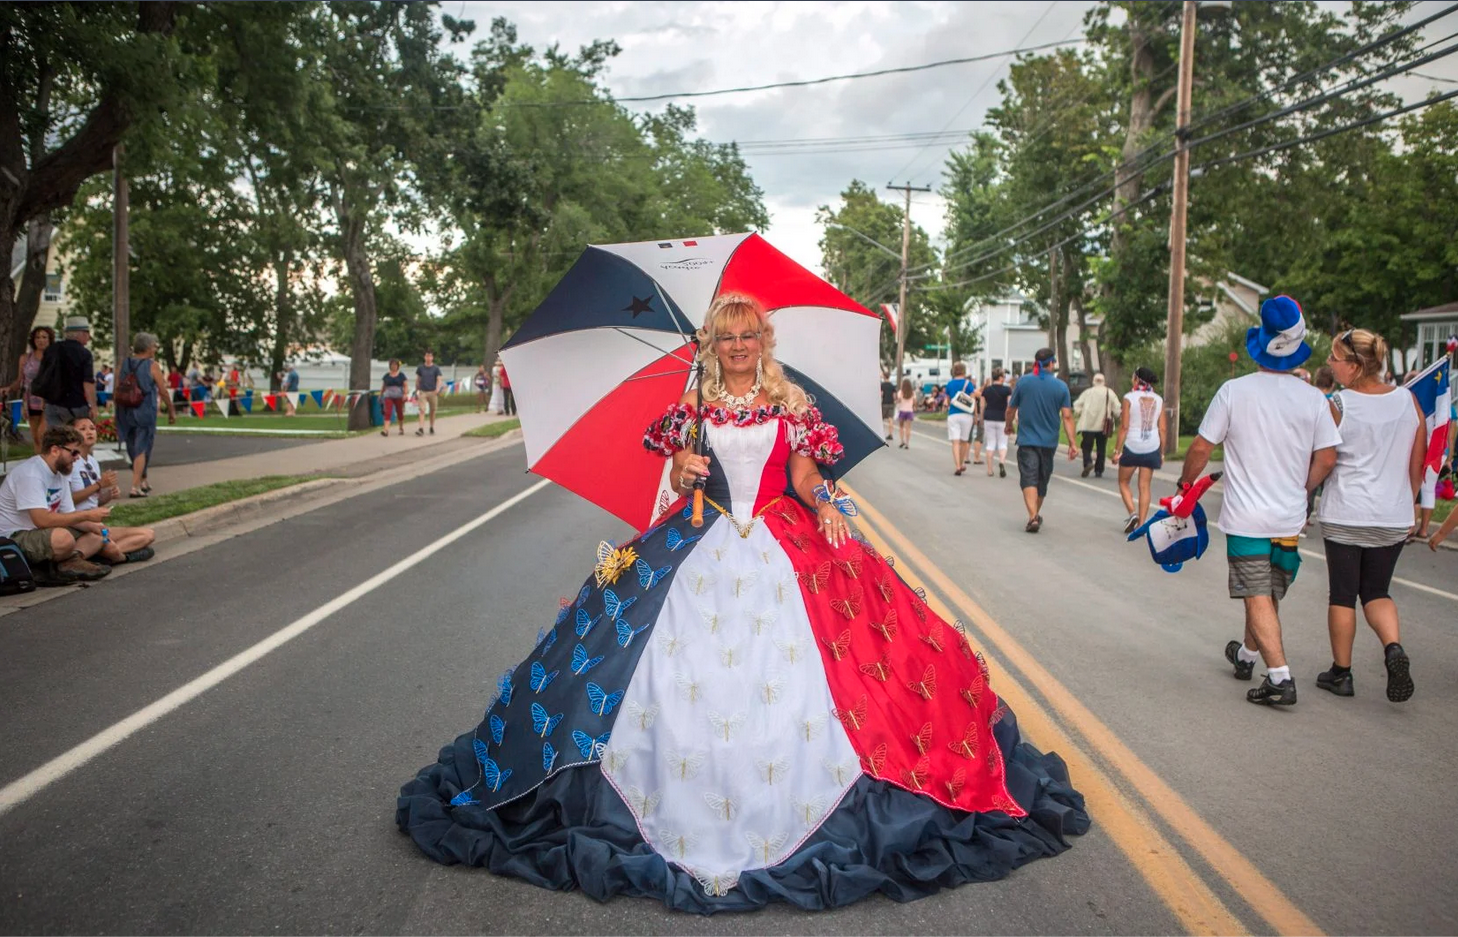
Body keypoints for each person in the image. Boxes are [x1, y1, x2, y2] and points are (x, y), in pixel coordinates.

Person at [397, 291, 1087, 912]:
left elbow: (805, 475)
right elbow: (676, 472)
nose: (737, 346)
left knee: (850, 667)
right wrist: (685, 469)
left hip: (782, 538)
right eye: (726, 336)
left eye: (748, 334)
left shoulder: (792, 403)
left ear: (764, 340)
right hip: (702, 535)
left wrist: (827, 504)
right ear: (712, 344)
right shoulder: (691, 406)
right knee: (638, 664)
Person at [1178, 296, 1340, 707]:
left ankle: (1280, 678)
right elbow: (1327, 458)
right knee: (1265, 593)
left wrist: (1185, 483)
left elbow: (1201, 447)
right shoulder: (1313, 399)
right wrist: (1303, 490)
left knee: (1256, 593)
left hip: (1247, 518)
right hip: (1289, 519)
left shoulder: (1234, 392)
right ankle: (1247, 656)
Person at [1314, 329, 1424, 702]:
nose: (1330, 364)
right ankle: (1393, 648)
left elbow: (1325, 459)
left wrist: (1305, 489)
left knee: (1343, 594)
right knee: (1377, 591)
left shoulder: (1339, 405)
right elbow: (1416, 461)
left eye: (1335, 358)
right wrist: (1407, 504)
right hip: (1391, 514)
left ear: (1355, 365)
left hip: (1346, 512)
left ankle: (1341, 673)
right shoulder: (1408, 400)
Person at [0, 425, 110, 583]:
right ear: (55, 450)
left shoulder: (60, 473)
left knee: (95, 534)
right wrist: (86, 515)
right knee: (63, 538)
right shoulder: (31, 475)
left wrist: (92, 525)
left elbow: (68, 514)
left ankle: (68, 563)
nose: (77, 458)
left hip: (40, 531)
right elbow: (42, 520)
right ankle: (63, 563)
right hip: (15, 535)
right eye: (74, 452)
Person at [1005, 349, 1077, 534]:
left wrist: (1008, 425)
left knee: (1029, 476)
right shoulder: (1061, 387)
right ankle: (1034, 515)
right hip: (1049, 442)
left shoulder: (1023, 382)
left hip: (1027, 439)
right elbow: (1067, 416)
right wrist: (1072, 443)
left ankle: (1033, 516)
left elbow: (1011, 409)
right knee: (1042, 480)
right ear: (1052, 363)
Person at [66, 417, 156, 564]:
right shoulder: (69, 463)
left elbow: (92, 501)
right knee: (112, 548)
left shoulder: (92, 462)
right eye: (82, 429)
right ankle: (118, 556)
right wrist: (99, 485)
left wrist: (108, 495)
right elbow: (66, 501)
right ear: (71, 434)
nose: (89, 432)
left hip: (96, 526)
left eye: (92, 428)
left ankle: (103, 555)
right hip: (79, 526)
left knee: (148, 535)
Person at [115, 332, 177, 498]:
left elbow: (117, 387)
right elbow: (163, 391)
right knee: (143, 447)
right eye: (154, 346)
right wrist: (171, 410)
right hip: (144, 409)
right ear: (148, 347)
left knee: (132, 445)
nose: (155, 349)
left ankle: (143, 480)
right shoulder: (152, 365)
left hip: (125, 409)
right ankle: (135, 486)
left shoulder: (124, 364)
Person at [1112, 367, 1166, 533]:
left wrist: (1116, 450)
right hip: (1152, 446)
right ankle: (1142, 525)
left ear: (1136, 379)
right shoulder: (1159, 399)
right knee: (1144, 486)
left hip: (1133, 445)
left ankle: (1132, 513)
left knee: (1123, 482)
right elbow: (1163, 429)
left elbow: (1124, 427)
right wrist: (1162, 452)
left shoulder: (1129, 398)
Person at [38, 316, 98, 428]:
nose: (89, 337)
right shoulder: (84, 354)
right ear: (81, 334)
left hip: (52, 404)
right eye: (87, 333)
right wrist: (93, 406)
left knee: (56, 436)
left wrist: (43, 400)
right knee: (78, 436)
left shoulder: (51, 350)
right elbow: (87, 383)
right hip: (75, 405)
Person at [5, 325, 54, 453]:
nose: (41, 340)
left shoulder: (55, 358)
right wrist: (9, 389)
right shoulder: (25, 358)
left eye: (44, 337)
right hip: (31, 400)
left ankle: (49, 460)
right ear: (33, 340)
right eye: (38, 337)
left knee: (43, 435)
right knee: (36, 437)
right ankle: (39, 461)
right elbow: (20, 380)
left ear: (50, 339)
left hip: (49, 400)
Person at [1073, 373, 1120, 479]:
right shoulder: (1109, 392)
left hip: (1087, 424)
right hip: (1103, 425)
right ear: (1104, 381)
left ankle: (1088, 462)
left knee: (1086, 446)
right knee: (1101, 447)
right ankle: (1099, 470)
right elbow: (1117, 407)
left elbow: (1077, 405)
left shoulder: (1087, 392)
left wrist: (1080, 413)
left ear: (1093, 381)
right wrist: (1118, 416)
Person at [944, 362, 977, 475]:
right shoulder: (968, 384)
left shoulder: (949, 384)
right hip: (967, 415)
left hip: (953, 414)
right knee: (964, 441)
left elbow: (948, 400)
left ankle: (958, 466)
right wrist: (975, 415)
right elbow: (973, 401)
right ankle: (962, 463)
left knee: (955, 442)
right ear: (964, 371)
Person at [980, 367, 1012, 478]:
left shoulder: (986, 390)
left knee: (990, 444)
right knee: (1003, 443)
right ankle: (1002, 462)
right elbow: (1009, 406)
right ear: (1001, 378)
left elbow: (982, 406)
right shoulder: (1007, 390)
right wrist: (1010, 420)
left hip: (989, 418)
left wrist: (981, 417)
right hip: (1002, 418)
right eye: (1004, 376)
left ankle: (990, 470)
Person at [414, 351, 444, 435]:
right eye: (427, 356)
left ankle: (431, 426)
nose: (428, 358)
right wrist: (417, 390)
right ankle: (421, 428)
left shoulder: (436, 368)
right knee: (422, 410)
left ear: (432, 358)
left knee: (433, 410)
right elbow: (418, 379)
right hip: (423, 391)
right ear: (424, 357)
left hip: (432, 391)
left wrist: (437, 389)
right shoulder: (420, 368)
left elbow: (439, 379)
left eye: (430, 356)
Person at [380, 360, 408, 437]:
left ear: (398, 366)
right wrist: (381, 394)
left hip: (398, 395)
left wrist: (405, 394)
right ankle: (386, 430)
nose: (394, 366)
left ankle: (401, 428)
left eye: (395, 365)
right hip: (388, 395)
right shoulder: (386, 376)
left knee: (399, 412)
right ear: (390, 366)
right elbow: (383, 386)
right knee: (387, 412)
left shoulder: (401, 375)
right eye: (392, 365)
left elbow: (405, 385)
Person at [894, 376, 915, 448]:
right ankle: (907, 443)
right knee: (908, 428)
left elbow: (899, 401)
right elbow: (914, 402)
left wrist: (896, 401)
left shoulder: (900, 392)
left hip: (902, 411)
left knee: (901, 427)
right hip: (909, 411)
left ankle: (902, 441)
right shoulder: (912, 393)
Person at [879, 369, 895, 441]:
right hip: (891, 403)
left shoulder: (882, 385)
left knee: (881, 419)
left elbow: (881, 394)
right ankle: (890, 434)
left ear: (884, 377)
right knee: (890, 419)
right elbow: (894, 396)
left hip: (884, 403)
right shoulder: (892, 385)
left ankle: (880, 434)